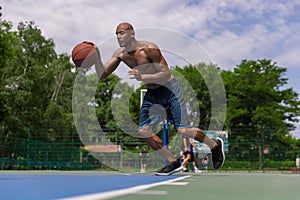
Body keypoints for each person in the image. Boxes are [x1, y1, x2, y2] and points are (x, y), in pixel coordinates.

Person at [90, 22, 224, 176]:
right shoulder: (120, 54)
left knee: (183, 130)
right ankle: (173, 162)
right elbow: (102, 75)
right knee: (144, 131)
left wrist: (144, 76)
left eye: (122, 33)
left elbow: (166, 73)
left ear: (132, 33)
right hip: (152, 94)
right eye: (117, 34)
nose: (119, 37)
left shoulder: (149, 49)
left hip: (169, 89)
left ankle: (214, 146)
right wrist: (96, 57)